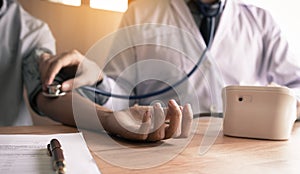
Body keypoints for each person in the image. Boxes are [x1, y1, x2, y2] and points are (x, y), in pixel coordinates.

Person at [40, 0, 300, 117]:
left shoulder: (261, 21)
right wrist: (97, 80)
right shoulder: (141, 13)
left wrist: (278, 108)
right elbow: (120, 95)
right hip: (165, 144)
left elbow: (296, 85)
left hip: (243, 149)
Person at [1, 0, 193, 142]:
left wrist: (109, 117)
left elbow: (49, 96)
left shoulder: (29, 31)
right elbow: (123, 89)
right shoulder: (140, 11)